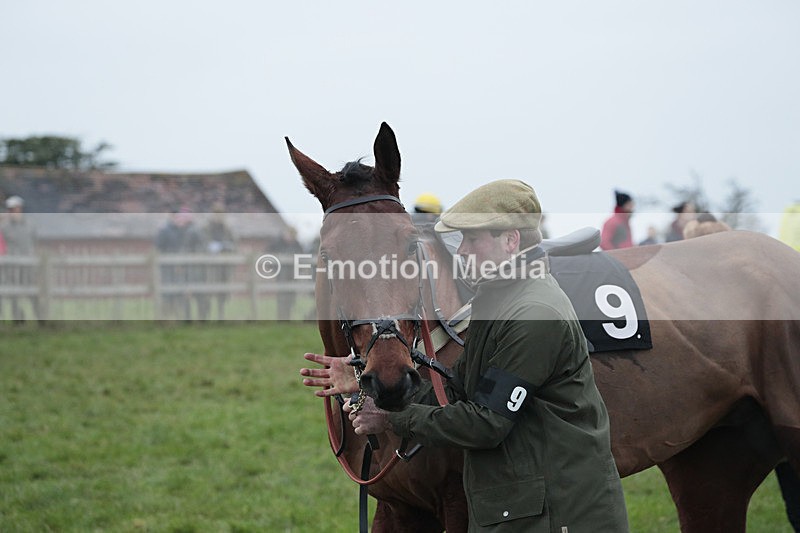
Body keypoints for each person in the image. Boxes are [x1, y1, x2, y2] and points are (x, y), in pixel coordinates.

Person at [302, 180, 629, 531]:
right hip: (528, 508)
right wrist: (364, 384)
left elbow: (486, 423)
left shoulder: (533, 315)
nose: (461, 252)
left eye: (472, 240)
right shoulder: (496, 300)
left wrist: (390, 419)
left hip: (559, 515)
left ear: (511, 241)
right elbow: (460, 391)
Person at [155, 207, 205, 320]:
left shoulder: (188, 230)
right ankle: (168, 316)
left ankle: (183, 317)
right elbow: (159, 247)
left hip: (184, 267)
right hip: (169, 267)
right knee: (169, 293)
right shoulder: (165, 230)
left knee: (184, 292)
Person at [1, 196, 39, 322]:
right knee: (14, 294)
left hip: (28, 264)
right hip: (12, 266)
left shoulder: (30, 225)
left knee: (32, 291)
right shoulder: (4, 227)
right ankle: (18, 318)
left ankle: (40, 317)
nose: (14, 212)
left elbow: (35, 242)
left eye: (16, 209)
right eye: (11, 209)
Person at [203, 202, 237, 320]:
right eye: (216, 214)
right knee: (208, 291)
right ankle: (206, 316)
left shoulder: (228, 229)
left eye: (220, 214)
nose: (218, 216)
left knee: (223, 293)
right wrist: (210, 247)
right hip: (210, 266)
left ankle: (221, 315)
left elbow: (234, 244)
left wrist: (226, 246)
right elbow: (202, 243)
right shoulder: (206, 228)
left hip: (224, 265)